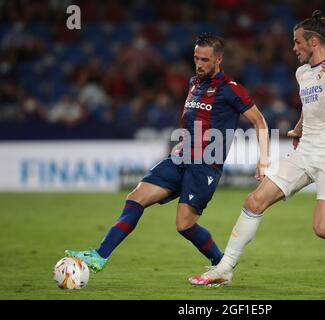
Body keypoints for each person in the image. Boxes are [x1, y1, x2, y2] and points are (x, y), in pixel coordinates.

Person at [189, 11, 325, 286]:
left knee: (323, 228)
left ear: (314, 42)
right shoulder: (302, 73)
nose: (294, 48)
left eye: (297, 42)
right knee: (254, 201)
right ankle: (224, 268)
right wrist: (299, 127)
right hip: (305, 151)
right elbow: (311, 106)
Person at [65, 34, 269, 273]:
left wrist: (263, 159)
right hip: (180, 158)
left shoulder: (231, 90)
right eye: (196, 58)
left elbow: (260, 122)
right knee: (135, 197)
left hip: (205, 166)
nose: (199, 64)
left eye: (205, 59)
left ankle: (222, 265)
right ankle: (100, 255)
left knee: (184, 225)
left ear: (219, 59)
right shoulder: (194, 83)